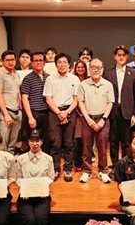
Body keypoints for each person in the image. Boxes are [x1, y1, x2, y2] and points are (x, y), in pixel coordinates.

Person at [14, 130, 54, 225]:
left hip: (42, 195)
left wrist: (43, 186)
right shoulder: (21, 159)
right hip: (25, 196)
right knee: (29, 220)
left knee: (41, 219)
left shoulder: (48, 158)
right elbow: (17, 177)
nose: (35, 143)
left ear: (42, 142)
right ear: (28, 142)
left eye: (37, 140)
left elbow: (51, 177)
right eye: (32, 140)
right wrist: (24, 187)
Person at [77, 58, 114, 184]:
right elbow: (80, 102)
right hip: (87, 119)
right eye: (93, 67)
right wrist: (87, 119)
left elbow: (110, 103)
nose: (96, 70)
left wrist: (104, 119)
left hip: (102, 119)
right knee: (86, 146)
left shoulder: (108, 85)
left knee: (102, 146)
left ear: (102, 69)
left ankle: (103, 171)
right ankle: (87, 171)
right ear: (89, 69)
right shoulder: (83, 84)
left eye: (98, 67)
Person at [44, 53, 80, 181]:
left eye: (65, 62)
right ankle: (55, 169)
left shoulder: (75, 79)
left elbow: (76, 99)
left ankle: (68, 169)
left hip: (70, 111)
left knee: (69, 143)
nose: (62, 64)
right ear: (56, 64)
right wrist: (59, 113)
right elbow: (48, 99)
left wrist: (66, 112)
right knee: (55, 143)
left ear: (69, 64)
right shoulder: (50, 79)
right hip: (54, 112)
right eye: (59, 62)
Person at [104, 45, 135, 166]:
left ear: (127, 56)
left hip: (127, 112)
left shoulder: (133, 73)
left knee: (126, 141)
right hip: (112, 111)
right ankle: (115, 165)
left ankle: (125, 164)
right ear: (115, 56)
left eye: (123, 55)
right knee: (113, 140)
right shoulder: (108, 73)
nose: (121, 57)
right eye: (119, 55)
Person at [20, 51, 50, 150]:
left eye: (41, 60)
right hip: (34, 113)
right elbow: (24, 98)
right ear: (32, 63)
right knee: (34, 140)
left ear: (44, 62)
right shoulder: (27, 78)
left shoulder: (49, 77)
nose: (38, 62)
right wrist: (30, 117)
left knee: (46, 140)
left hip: (47, 112)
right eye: (36, 61)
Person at [0, 50, 22, 154]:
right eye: (8, 60)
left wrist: (20, 109)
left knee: (12, 144)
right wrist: (5, 114)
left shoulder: (16, 73)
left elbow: (18, 92)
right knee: (3, 144)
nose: (10, 62)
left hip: (17, 111)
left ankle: (10, 162)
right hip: (5, 111)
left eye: (12, 59)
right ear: (3, 61)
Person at [72, 59, 89, 173]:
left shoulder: (89, 80)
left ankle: (86, 162)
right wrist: (78, 111)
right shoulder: (72, 80)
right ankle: (77, 162)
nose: (80, 69)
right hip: (76, 114)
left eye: (82, 67)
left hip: (87, 113)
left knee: (86, 140)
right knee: (77, 139)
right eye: (78, 67)